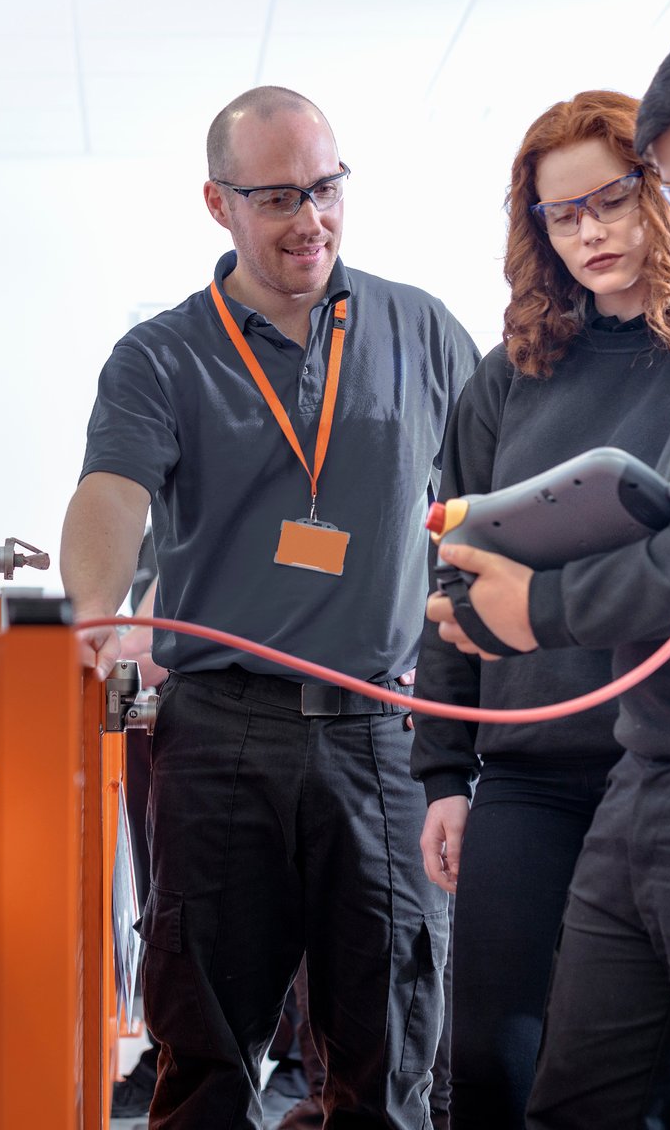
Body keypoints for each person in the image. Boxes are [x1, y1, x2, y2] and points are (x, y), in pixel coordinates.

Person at [62, 85, 479, 1128]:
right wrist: (93, 608)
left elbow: (488, 504)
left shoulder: (421, 329)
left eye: (327, 188)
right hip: (220, 738)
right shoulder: (162, 354)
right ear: (219, 204)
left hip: (381, 736)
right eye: (280, 196)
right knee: (204, 1057)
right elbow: (112, 491)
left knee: (389, 1057)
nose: (312, 219)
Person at [426, 24, 670, 1128]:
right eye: (562, 213)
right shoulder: (506, 380)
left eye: (613, 200)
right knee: (492, 1054)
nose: (590, 231)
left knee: (657, 1082)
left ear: (657, 193)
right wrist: (442, 773)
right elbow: (448, 583)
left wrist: (543, 607)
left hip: (664, 756)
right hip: (532, 770)